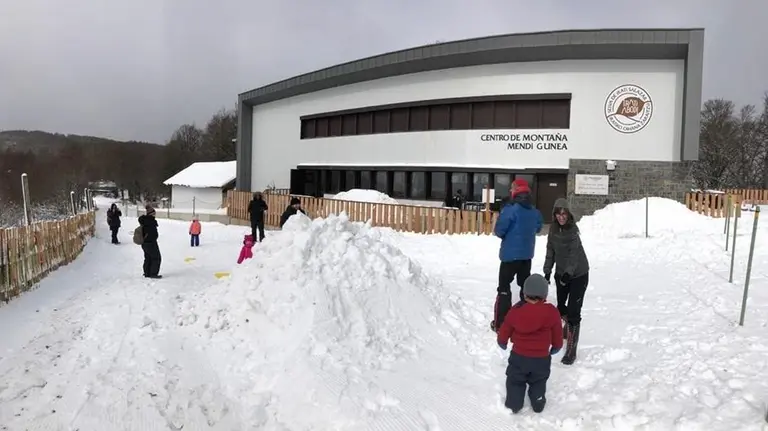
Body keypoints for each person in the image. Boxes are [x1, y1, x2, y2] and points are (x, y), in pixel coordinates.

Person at [496, 274, 563, 414]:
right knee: (539, 381)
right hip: (541, 359)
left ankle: (514, 404)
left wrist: (502, 341)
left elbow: (506, 327)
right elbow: (557, 331)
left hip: (519, 357)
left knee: (515, 380)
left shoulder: (516, 311)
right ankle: (538, 401)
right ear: (544, 295)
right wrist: (557, 345)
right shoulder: (551, 312)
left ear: (525, 294)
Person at [491, 178, 543, 332]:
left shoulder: (510, 209)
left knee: (504, 288)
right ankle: (524, 320)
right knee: (525, 288)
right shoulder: (535, 211)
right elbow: (538, 228)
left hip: (509, 257)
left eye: (512, 188)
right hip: (526, 256)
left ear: (516, 190)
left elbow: (499, 231)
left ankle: (500, 324)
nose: (510, 191)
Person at [543, 197, 590, 365]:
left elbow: (574, 255)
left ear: (568, 215)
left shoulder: (573, 232)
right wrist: (547, 271)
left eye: (564, 214)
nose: (561, 217)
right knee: (561, 307)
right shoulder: (553, 231)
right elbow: (550, 251)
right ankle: (566, 330)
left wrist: (568, 274)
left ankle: (571, 349)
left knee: (573, 311)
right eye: (558, 214)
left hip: (578, 274)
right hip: (561, 273)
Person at [138, 205, 162, 278]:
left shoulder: (144, 220)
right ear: (151, 214)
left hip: (144, 243)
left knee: (148, 257)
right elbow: (152, 234)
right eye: (154, 213)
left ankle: (147, 273)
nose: (155, 215)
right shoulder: (150, 221)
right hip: (151, 243)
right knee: (156, 258)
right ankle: (153, 274)